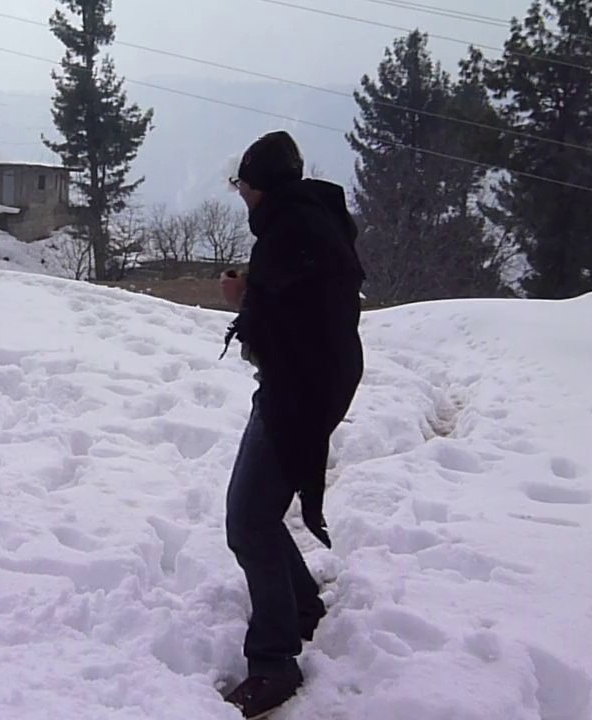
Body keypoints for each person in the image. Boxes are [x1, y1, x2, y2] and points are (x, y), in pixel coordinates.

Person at [218, 130, 365, 718]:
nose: (241, 194)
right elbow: (306, 303)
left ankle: (274, 662)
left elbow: (277, 326)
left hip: (299, 391)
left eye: (243, 184)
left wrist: (241, 299)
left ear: (261, 187)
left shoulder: (288, 234)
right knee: (258, 510)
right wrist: (256, 292)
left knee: (247, 520)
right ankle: (302, 605)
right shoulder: (310, 219)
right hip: (314, 381)